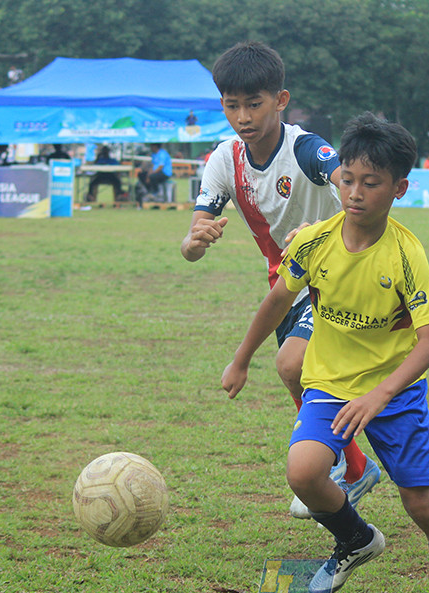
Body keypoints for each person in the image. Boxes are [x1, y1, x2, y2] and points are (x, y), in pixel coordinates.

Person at [221, 113, 429, 593]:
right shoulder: (313, 241)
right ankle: (356, 539)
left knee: (421, 505)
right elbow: (277, 302)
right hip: (328, 382)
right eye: (347, 179)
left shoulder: (407, 253)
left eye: (371, 183)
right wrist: (241, 359)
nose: (355, 192)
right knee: (303, 473)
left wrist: (379, 395)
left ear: (399, 188)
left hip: (393, 393)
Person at [181, 41, 381, 519]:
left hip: (340, 276)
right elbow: (190, 244)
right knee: (301, 373)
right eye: (232, 105)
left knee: (292, 366)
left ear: (281, 100)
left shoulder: (307, 149)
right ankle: (354, 467)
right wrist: (195, 241)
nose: (243, 116)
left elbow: (348, 180)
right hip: (288, 285)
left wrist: (320, 230)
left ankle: (344, 463)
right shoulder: (224, 161)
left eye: (255, 103)